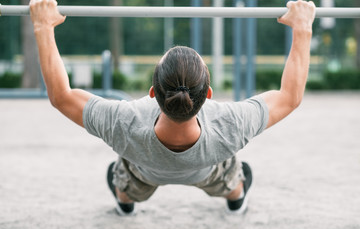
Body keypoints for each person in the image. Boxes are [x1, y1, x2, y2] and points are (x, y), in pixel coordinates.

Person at [29, 0, 315, 215]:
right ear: (209, 95)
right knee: (230, 174)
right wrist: (302, 28)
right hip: (208, 170)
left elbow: (61, 96)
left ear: (152, 92)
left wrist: (43, 26)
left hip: (143, 171)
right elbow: (290, 96)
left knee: (126, 178)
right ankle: (236, 195)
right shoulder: (231, 124)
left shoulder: (123, 121)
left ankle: (125, 198)